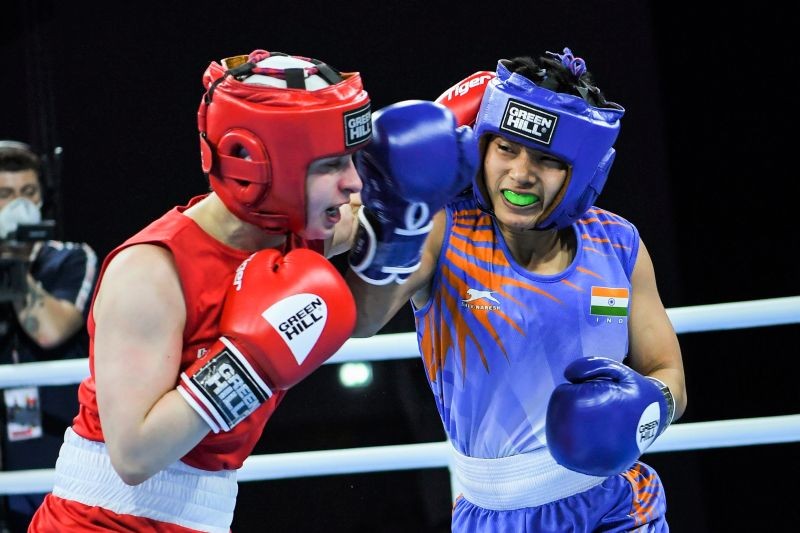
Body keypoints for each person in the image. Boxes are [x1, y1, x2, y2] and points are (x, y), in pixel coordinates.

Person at [27, 48, 376, 532]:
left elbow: (379, 222)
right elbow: (134, 456)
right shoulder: (151, 272)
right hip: (100, 521)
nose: (353, 183)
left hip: (201, 519)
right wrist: (249, 363)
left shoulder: (299, 235)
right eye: (332, 165)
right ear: (263, 164)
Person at [346, 47, 687, 531]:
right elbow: (362, 320)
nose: (521, 174)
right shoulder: (444, 231)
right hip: (496, 515)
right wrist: (391, 221)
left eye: (546, 159)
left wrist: (646, 408)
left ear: (583, 171)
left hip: (620, 505)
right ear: (481, 147)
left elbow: (668, 373)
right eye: (506, 148)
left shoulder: (618, 243)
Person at [0, 140, 97, 532]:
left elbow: (51, 331)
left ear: (43, 199)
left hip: (57, 437)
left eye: (28, 192)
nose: (18, 205)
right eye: (5, 195)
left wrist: (16, 264)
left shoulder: (71, 257)